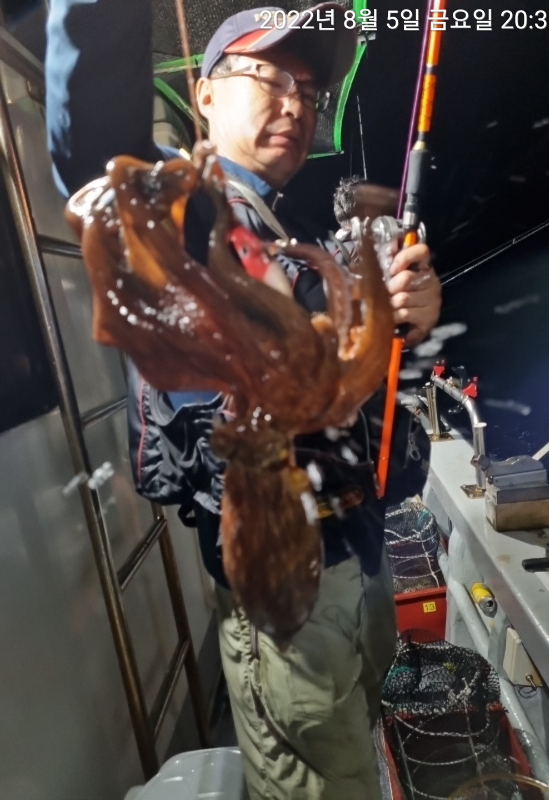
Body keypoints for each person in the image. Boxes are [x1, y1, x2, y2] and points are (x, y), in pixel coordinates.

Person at [45, 3, 442, 798]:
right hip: (282, 595)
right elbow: (93, 135)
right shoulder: (181, 212)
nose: (296, 103)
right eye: (270, 76)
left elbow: (363, 396)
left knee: (358, 741)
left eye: (309, 91)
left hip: (355, 563)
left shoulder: (294, 231)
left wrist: (409, 321)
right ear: (205, 94)